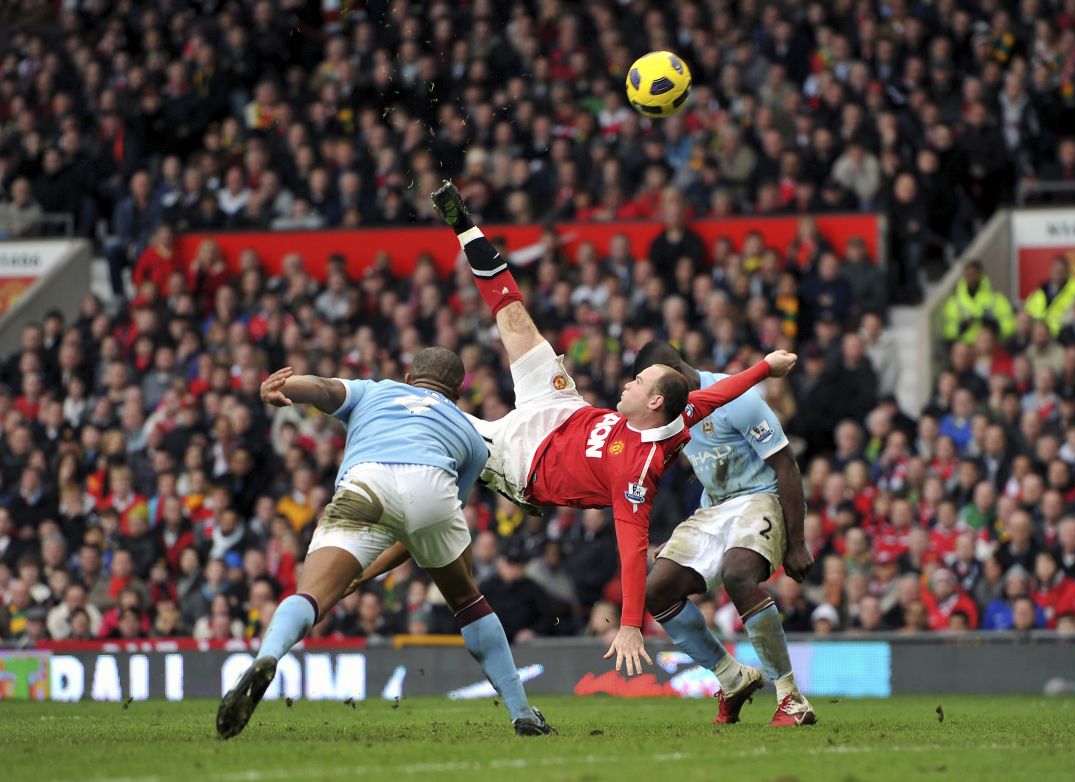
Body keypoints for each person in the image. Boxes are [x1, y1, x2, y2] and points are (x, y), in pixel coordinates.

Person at [422, 180, 797, 676]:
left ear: (654, 400)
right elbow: (722, 391)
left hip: (523, 461)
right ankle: (463, 224)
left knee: (426, 412)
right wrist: (766, 366)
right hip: (560, 408)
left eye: (637, 380)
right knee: (515, 320)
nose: (626, 381)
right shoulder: (679, 414)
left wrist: (630, 624)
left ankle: (346, 398)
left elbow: (631, 548)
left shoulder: (635, 473)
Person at [216, 347, 553, 739]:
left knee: (311, 595)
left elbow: (323, 388)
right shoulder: (473, 438)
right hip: (433, 487)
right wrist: (365, 574)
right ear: (457, 394)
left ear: (409, 378)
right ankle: (522, 712)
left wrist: (281, 386)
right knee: (468, 601)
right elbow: (419, 532)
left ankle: (267, 657)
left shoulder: (376, 391)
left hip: (367, 481)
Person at [634, 340, 816, 727]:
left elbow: (786, 466)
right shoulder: (671, 415)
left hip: (761, 498)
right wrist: (691, 534)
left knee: (737, 575)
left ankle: (791, 697)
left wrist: (796, 543)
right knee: (656, 590)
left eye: (652, 389)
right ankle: (732, 679)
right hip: (715, 508)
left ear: (672, 375)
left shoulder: (737, 399)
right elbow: (712, 475)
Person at [941, 260, 1015, 344]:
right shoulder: (955, 301)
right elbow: (948, 330)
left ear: (980, 274)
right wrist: (963, 326)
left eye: (973, 274)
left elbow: (1009, 326)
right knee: (960, 350)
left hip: (991, 345)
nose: (970, 278)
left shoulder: (996, 299)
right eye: (967, 274)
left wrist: (995, 325)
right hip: (965, 346)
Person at [1024, 256, 1075, 337]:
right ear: (1050, 270)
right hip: (1038, 335)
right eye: (1055, 270)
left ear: (1067, 272)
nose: (1058, 273)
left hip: (1062, 336)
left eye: (1061, 271)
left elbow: (1074, 318)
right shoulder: (1040, 290)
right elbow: (1028, 311)